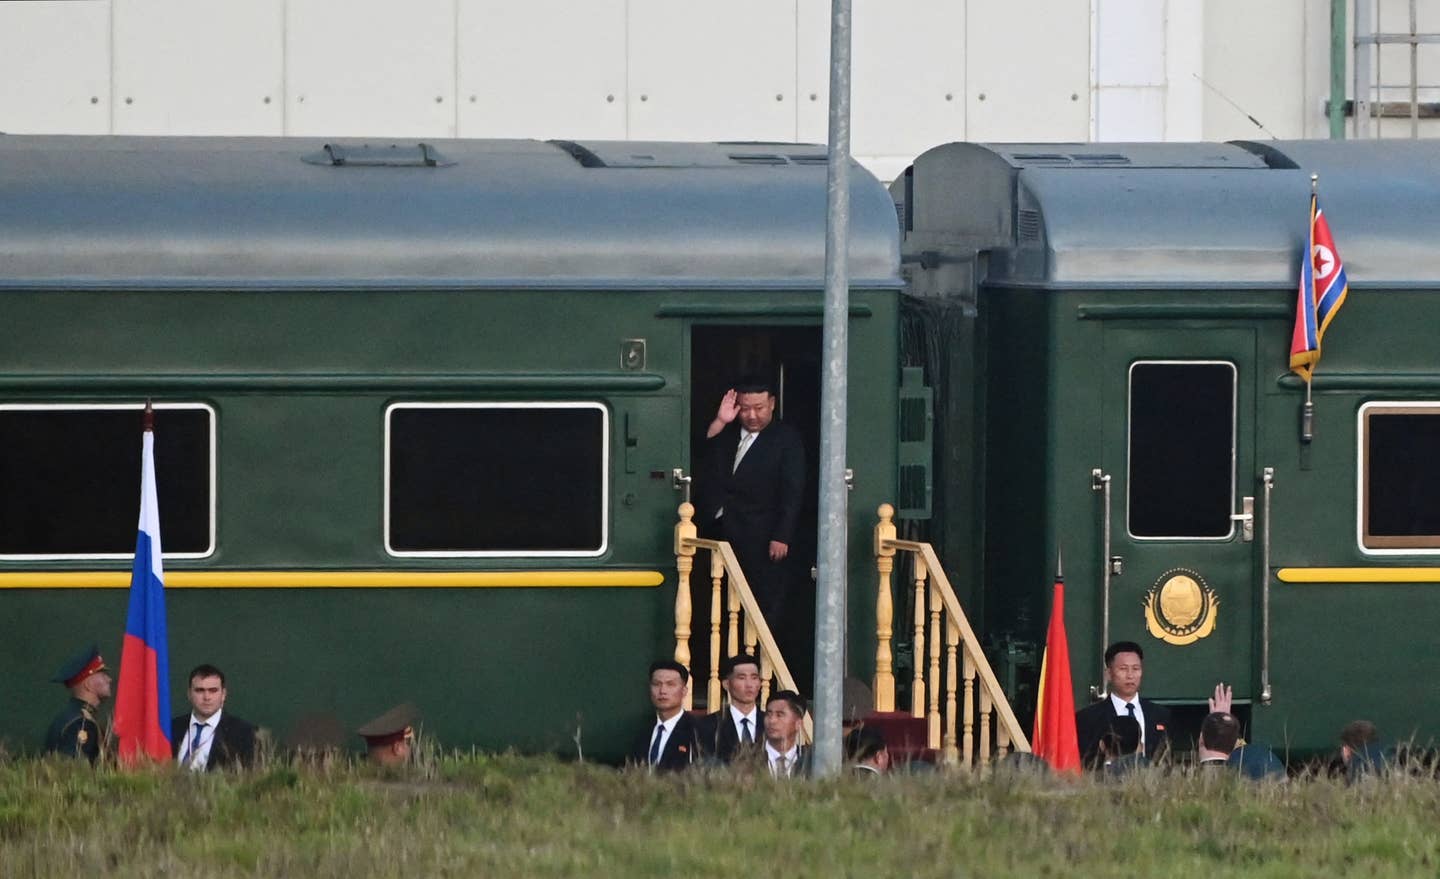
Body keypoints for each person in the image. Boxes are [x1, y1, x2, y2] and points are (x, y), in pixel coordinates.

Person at [697, 379, 805, 629]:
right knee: (716, 599)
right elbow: (703, 455)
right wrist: (721, 421)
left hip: (761, 534)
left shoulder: (786, 439)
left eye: (759, 408)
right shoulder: (728, 433)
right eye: (745, 408)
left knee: (760, 600)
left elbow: (792, 491)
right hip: (719, 529)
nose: (752, 415)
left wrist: (782, 535)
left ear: (772, 404)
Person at [1075, 641, 1171, 767]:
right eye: (1123, 669)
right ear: (1108, 674)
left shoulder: (1160, 715)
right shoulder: (1087, 718)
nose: (1130, 675)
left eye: (1136, 669)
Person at [171, 664, 257, 771]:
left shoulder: (242, 733)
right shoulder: (172, 728)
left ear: (223, 694)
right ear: (189, 694)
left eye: (213, 690)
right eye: (199, 690)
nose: (207, 697)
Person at [43, 645, 111, 764]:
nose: (109, 679)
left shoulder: (71, 716)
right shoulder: (81, 724)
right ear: (88, 684)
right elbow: (75, 772)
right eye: (102, 674)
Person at [630, 660, 700, 772]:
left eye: (670, 684)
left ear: (684, 691)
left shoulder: (697, 731)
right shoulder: (640, 729)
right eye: (656, 684)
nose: (662, 691)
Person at [696, 653, 764, 765]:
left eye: (754, 678)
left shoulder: (771, 722)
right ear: (726, 684)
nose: (749, 685)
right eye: (742, 678)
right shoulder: (708, 725)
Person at [761, 690, 810, 778]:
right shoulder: (749, 757)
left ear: (798, 724)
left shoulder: (809, 760)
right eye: (768, 714)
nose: (772, 721)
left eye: (780, 715)